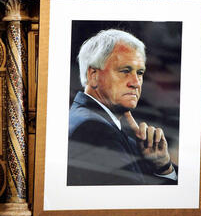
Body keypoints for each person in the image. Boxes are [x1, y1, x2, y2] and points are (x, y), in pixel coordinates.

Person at [67, 29, 177, 186]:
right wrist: (166, 172)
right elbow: (137, 205)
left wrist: (162, 165)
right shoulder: (95, 129)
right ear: (93, 75)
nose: (136, 82)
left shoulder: (95, 121)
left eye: (140, 73)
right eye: (125, 71)